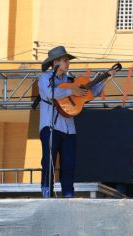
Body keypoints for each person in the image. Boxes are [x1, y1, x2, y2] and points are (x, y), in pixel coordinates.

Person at [38, 46, 114, 198]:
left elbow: (92, 92)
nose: (68, 63)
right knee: (49, 161)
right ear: (55, 63)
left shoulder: (72, 80)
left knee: (69, 164)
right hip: (50, 126)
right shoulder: (46, 78)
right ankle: (47, 191)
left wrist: (106, 78)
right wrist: (71, 91)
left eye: (67, 60)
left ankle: (68, 194)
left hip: (69, 129)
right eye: (65, 60)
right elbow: (50, 93)